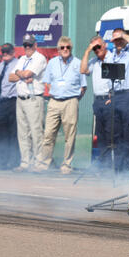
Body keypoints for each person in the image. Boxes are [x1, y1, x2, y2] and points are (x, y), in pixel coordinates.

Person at [33, 36, 87, 175]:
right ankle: (44, 163)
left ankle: (66, 165)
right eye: (62, 47)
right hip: (54, 101)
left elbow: (83, 87)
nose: (65, 50)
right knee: (48, 134)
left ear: (71, 48)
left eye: (68, 47)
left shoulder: (77, 63)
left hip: (70, 101)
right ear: (58, 50)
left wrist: (74, 99)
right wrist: (55, 91)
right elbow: (47, 82)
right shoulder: (51, 63)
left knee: (70, 136)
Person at [9, 34, 47, 172]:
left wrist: (20, 73)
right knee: (23, 132)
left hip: (33, 98)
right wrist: (22, 73)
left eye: (30, 45)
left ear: (35, 45)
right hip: (20, 98)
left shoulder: (39, 58)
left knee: (36, 132)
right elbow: (10, 77)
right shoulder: (22, 59)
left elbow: (26, 74)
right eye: (25, 45)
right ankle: (25, 162)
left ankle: (39, 162)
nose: (27, 48)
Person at [109, 28, 129, 173]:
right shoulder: (112, 55)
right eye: (115, 40)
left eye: (119, 40)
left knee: (128, 133)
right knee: (116, 133)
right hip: (116, 94)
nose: (117, 43)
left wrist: (122, 35)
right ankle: (118, 167)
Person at [81, 35, 114, 170]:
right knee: (100, 135)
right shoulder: (94, 61)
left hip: (109, 100)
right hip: (98, 101)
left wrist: (113, 97)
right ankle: (103, 165)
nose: (97, 50)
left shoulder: (112, 58)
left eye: (98, 47)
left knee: (110, 134)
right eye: (94, 48)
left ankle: (111, 165)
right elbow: (83, 70)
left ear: (104, 45)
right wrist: (87, 51)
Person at [0, 43, 19, 170]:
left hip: (13, 100)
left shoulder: (17, 64)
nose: (5, 54)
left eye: (7, 52)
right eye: (3, 52)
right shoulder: (1, 65)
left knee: (13, 131)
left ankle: (13, 161)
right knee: (1, 130)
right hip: (2, 101)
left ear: (13, 52)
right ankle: (3, 160)